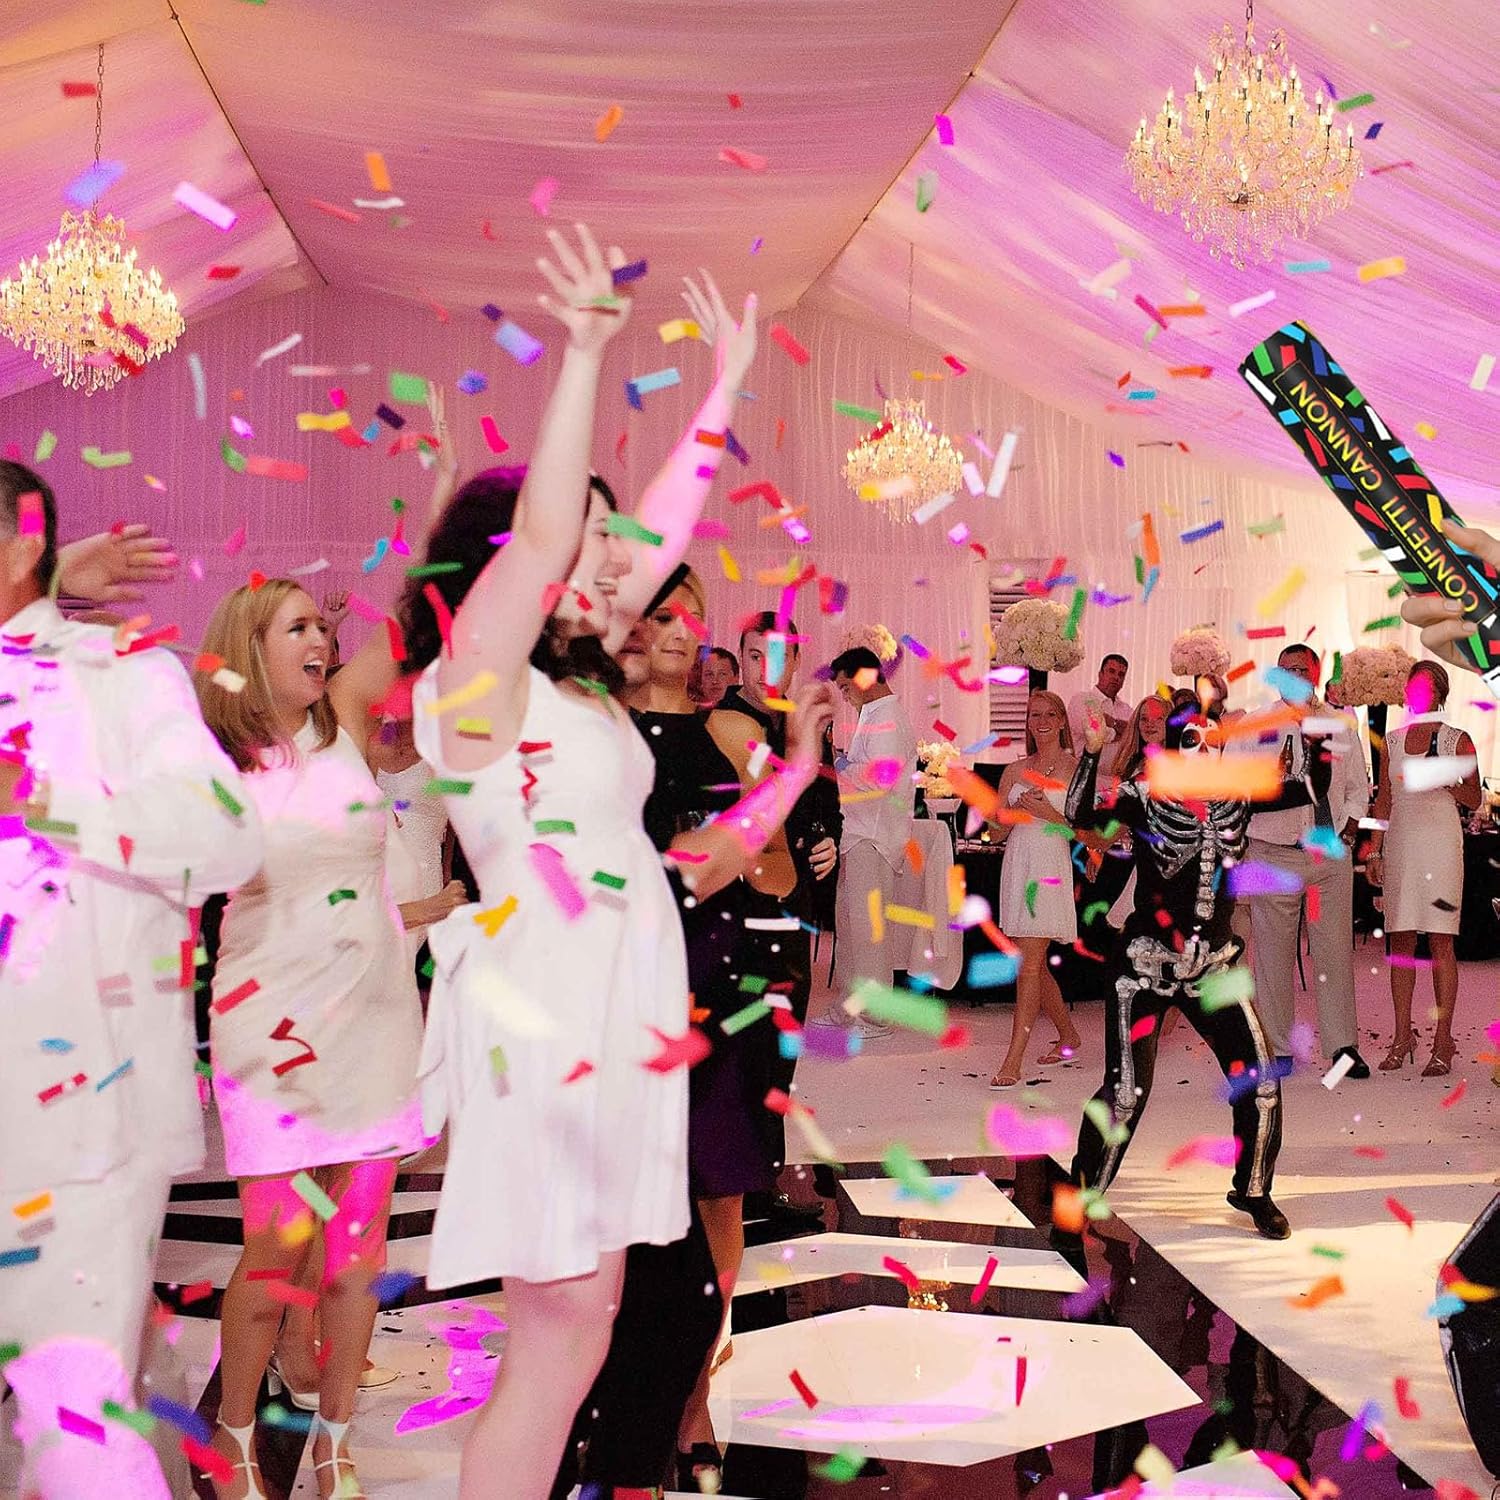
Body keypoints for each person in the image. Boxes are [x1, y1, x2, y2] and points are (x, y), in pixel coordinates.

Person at [403, 227, 760, 1500]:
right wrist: (586, 354)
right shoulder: (475, 684)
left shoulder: (575, 688)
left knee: (582, 1325)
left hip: (614, 1012)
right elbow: (555, 532)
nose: (616, 563)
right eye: (587, 543)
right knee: (559, 1332)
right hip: (546, 1016)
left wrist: (725, 388)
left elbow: (652, 533)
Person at [1, 465, 264, 1500]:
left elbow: (225, 835)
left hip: (78, 1121)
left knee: (73, 1415)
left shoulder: (119, 672)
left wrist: (40, 795)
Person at [1062, 691, 1333, 1241]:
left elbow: (1309, 787)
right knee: (1125, 1092)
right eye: (1191, 740)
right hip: (1146, 967)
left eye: (1212, 741)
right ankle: (1083, 1190)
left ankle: (1253, 1189)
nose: (1203, 750)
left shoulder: (1239, 795)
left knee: (1259, 1080)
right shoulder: (1144, 795)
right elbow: (1080, 814)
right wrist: (1091, 753)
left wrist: (1315, 734)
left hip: (1214, 964)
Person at [712, 610, 840, 1195]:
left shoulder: (802, 722)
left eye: (780, 657)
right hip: (739, 902)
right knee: (743, 1043)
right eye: (755, 656)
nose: (768, 669)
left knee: (782, 1042)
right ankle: (739, 1183)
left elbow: (823, 801)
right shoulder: (721, 724)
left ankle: (763, 1176)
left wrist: (828, 840)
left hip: (795, 900)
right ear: (740, 658)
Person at [1239, 643, 1371, 1076]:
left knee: (1333, 954)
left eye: (1300, 669)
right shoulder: (1255, 724)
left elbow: (1357, 787)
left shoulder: (1339, 724)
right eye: (1284, 670)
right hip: (1271, 851)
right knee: (1272, 956)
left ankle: (1342, 1047)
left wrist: (1350, 828)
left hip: (1326, 855)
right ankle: (1277, 1048)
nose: (1291, 676)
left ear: (1315, 673)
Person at [1366, 660, 1481, 1074]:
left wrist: (1446, 779)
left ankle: (1443, 1038)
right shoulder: (1392, 742)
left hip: (1441, 844)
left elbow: (1474, 799)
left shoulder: (1457, 739)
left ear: (1439, 693)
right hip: (1401, 843)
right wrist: (1374, 852)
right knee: (1400, 941)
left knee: (1440, 941)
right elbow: (1383, 801)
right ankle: (1402, 1035)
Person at [988, 691, 1084, 1088]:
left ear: (1062, 720)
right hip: (1018, 864)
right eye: (1034, 715)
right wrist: (1015, 812)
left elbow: (1083, 832)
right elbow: (995, 833)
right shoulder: (1014, 770)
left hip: (1049, 868)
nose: (1041, 721)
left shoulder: (1076, 769)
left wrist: (1046, 811)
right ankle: (1069, 1035)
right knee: (1035, 962)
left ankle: (1013, 1060)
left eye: (1049, 714)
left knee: (1028, 963)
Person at [828, 645, 917, 1032]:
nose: (845, 696)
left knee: (869, 931)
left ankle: (876, 1016)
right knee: (851, 928)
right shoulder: (873, 713)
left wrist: (841, 765)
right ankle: (853, 1008)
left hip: (875, 837)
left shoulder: (888, 716)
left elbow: (880, 777)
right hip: (860, 833)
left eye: (845, 687)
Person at [1067, 653, 1132, 753]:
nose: (1116, 677)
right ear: (1100, 674)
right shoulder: (1083, 699)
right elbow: (1093, 731)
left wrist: (1111, 722)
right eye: (1111, 671)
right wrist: (1121, 731)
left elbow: (1135, 734)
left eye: (1121, 674)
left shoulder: (1126, 709)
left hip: (1118, 763)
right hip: (1083, 762)